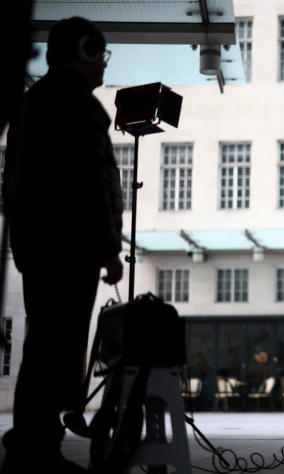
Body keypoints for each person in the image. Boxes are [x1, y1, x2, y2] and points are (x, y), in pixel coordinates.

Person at [1, 17, 123, 473]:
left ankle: (35, 445)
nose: (104, 66)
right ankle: (34, 450)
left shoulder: (34, 103)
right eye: (102, 55)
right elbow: (89, 185)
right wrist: (109, 247)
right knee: (55, 348)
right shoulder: (74, 106)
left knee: (44, 346)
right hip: (68, 251)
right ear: (87, 53)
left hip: (40, 248)